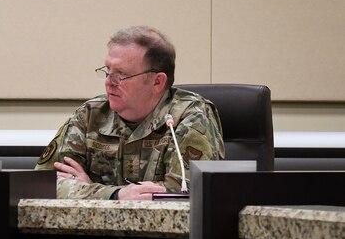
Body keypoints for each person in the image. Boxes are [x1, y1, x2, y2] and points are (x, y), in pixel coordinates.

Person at [35, 25, 225, 200]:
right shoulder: (90, 114)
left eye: (121, 75)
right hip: (93, 234)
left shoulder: (190, 117)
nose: (109, 81)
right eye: (107, 71)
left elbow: (185, 193)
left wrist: (87, 189)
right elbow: (41, 183)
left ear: (157, 82)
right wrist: (113, 195)